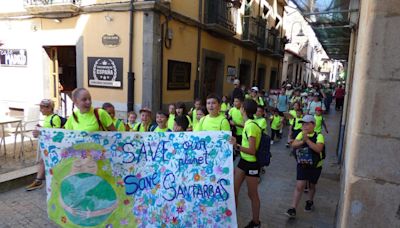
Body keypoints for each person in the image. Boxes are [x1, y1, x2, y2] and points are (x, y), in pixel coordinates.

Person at [229, 99, 262, 228]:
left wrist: (236, 146)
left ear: (243, 109)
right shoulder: (247, 124)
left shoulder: (251, 126)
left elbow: (252, 150)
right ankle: (231, 219)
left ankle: (256, 222)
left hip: (252, 164)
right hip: (243, 161)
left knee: (252, 194)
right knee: (234, 191)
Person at [285, 115, 325, 219]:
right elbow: (293, 145)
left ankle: (310, 201)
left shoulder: (319, 136)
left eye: (307, 124)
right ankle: (293, 208)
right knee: (299, 186)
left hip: (315, 166)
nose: (304, 126)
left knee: (312, 185)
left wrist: (307, 140)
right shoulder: (300, 134)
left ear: (314, 125)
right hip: (302, 164)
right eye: (303, 124)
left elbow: (318, 149)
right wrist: (303, 140)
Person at [25, 99, 62, 191]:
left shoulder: (55, 118)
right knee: (42, 161)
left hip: (53, 147)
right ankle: (39, 181)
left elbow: (56, 133)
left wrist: (41, 131)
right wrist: (41, 129)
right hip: (47, 146)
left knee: (49, 162)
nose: (40, 110)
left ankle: (48, 182)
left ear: (49, 108)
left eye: (42, 107)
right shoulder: (47, 118)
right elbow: (48, 130)